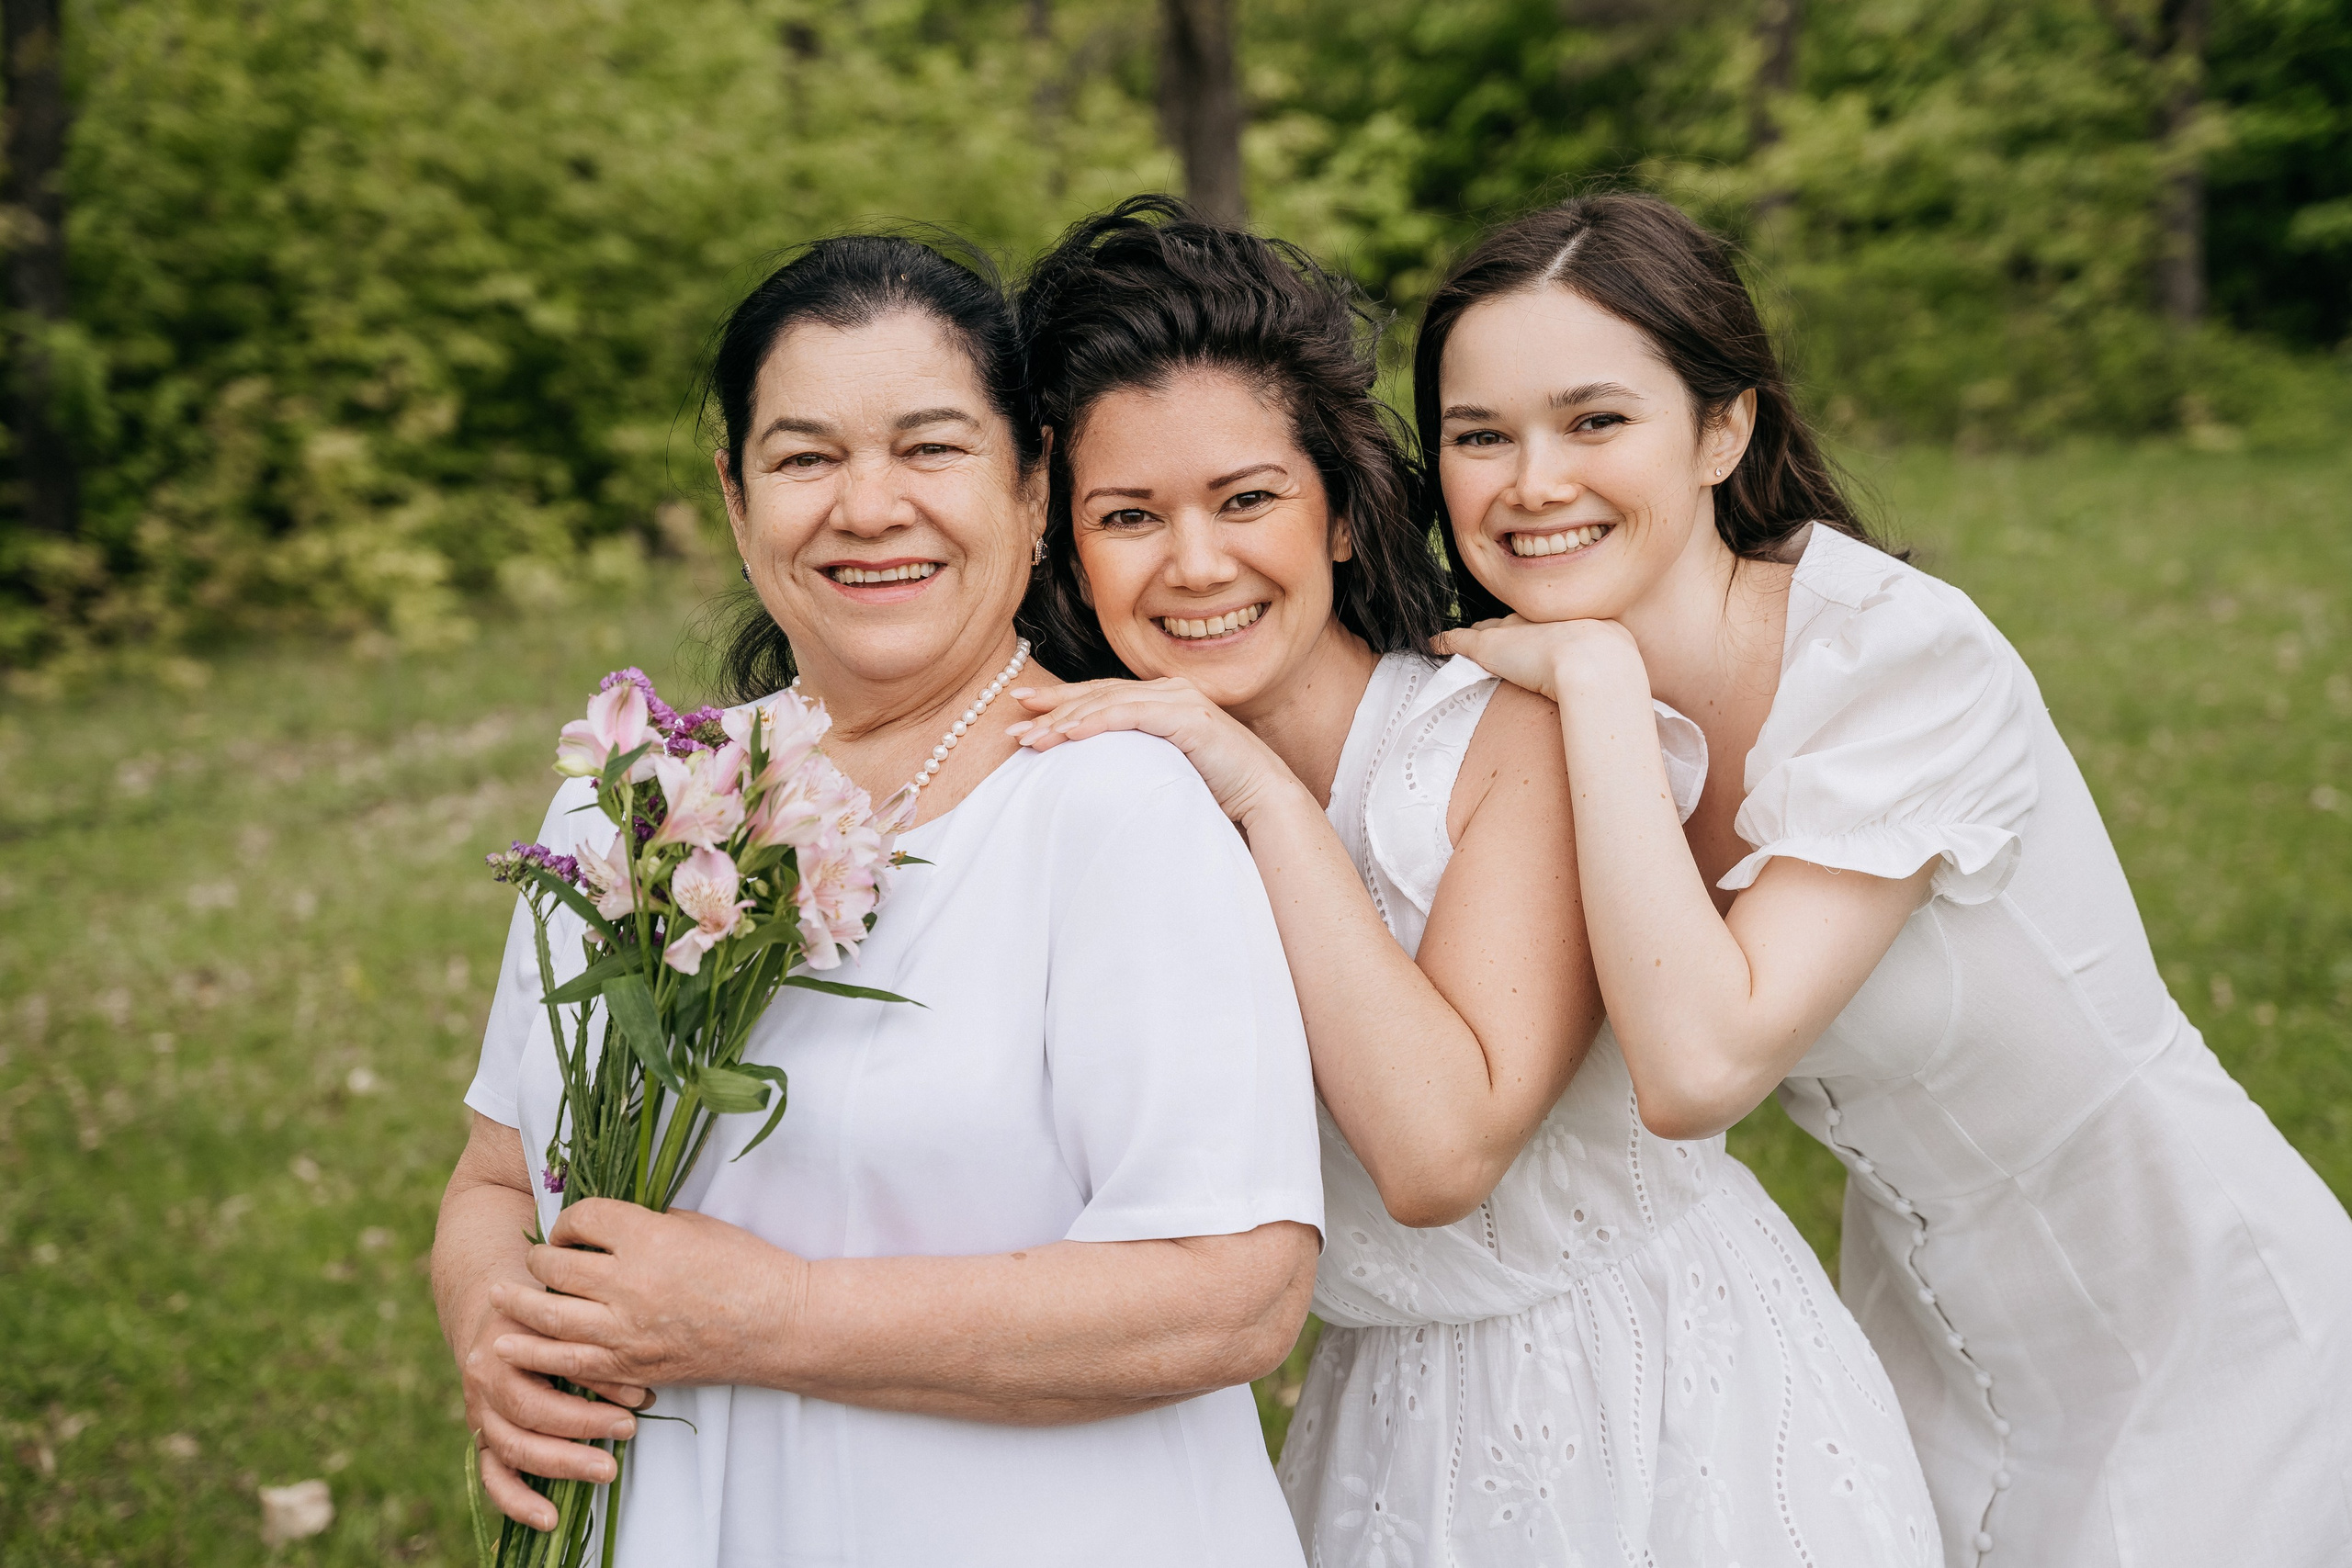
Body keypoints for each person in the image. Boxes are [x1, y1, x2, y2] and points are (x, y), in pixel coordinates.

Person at [1008, 197, 1940, 1567]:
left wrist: (1261, 789)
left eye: (1249, 499)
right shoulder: (1118, 792)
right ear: (1072, 557)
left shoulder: (1505, 732)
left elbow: (1442, 1150)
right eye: (1129, 515)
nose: (1196, 563)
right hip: (1385, 1421)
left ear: (1337, 515)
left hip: (1667, 1402)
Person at [1427, 193, 2352, 1568]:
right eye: (1478, 436)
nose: (1530, 481)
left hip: (2195, 1321)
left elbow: (1698, 1067)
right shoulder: (1521, 704)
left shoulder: (1897, 664)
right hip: (1917, 1342)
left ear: (1724, 431)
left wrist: (1600, 682)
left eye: (1595, 421)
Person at [428, 232, 1326, 1568]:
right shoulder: (628, 807)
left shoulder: (1116, 804)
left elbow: (1236, 1298)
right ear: (737, 502)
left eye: (930, 449)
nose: (868, 506)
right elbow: (500, 1179)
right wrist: (499, 1326)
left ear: (1033, 490)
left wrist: (766, 1318)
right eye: (805, 458)